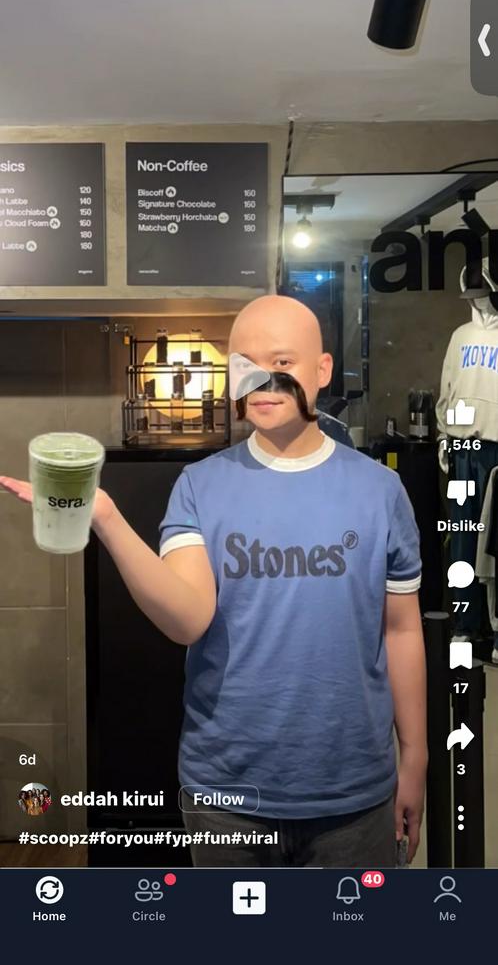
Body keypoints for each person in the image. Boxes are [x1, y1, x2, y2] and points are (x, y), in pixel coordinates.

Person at [0, 294, 427, 868]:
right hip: (228, 793)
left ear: (323, 370)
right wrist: (106, 517)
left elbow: (401, 631)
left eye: (283, 361)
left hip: (352, 792)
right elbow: (188, 619)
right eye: (246, 364)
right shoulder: (199, 486)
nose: (264, 380)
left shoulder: (380, 491)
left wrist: (416, 756)